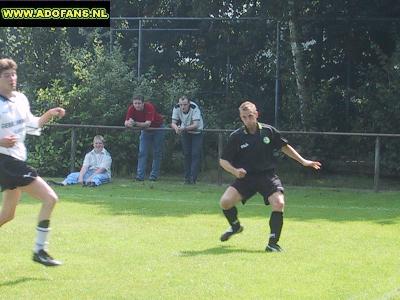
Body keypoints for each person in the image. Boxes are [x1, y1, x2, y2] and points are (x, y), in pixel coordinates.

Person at [218, 101, 321, 252]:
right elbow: (223, 161)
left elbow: (284, 147)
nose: (248, 119)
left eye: (250, 116)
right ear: (241, 118)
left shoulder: (268, 131)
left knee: (279, 203)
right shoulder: (236, 137)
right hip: (246, 178)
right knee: (225, 202)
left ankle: (272, 243)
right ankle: (235, 226)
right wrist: (234, 171)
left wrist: (304, 161)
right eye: (244, 117)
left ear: (256, 115)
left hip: (267, 176)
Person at [0, 58, 65, 266]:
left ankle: (39, 251)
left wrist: (50, 114)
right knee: (50, 198)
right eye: (7, 75)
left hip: (16, 159)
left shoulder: (20, 99)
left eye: (14, 74)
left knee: (8, 215)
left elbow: (33, 123)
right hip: (6, 161)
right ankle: (40, 250)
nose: (12, 78)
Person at [124, 95, 165, 181]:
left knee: (157, 152)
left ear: (143, 103)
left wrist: (134, 123)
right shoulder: (131, 108)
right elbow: (126, 122)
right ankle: (140, 176)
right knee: (142, 152)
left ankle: (153, 176)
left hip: (158, 128)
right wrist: (129, 123)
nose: (137, 105)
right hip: (145, 131)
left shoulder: (149, 107)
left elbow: (147, 124)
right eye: (135, 103)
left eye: (139, 103)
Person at [171, 95, 204, 184]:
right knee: (186, 154)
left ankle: (193, 179)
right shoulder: (176, 107)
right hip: (185, 132)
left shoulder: (194, 107)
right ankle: (187, 178)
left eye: (185, 104)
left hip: (197, 132)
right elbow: (173, 123)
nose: (183, 107)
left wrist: (183, 128)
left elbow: (196, 124)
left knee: (195, 154)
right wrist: (176, 128)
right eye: (181, 104)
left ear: (189, 103)